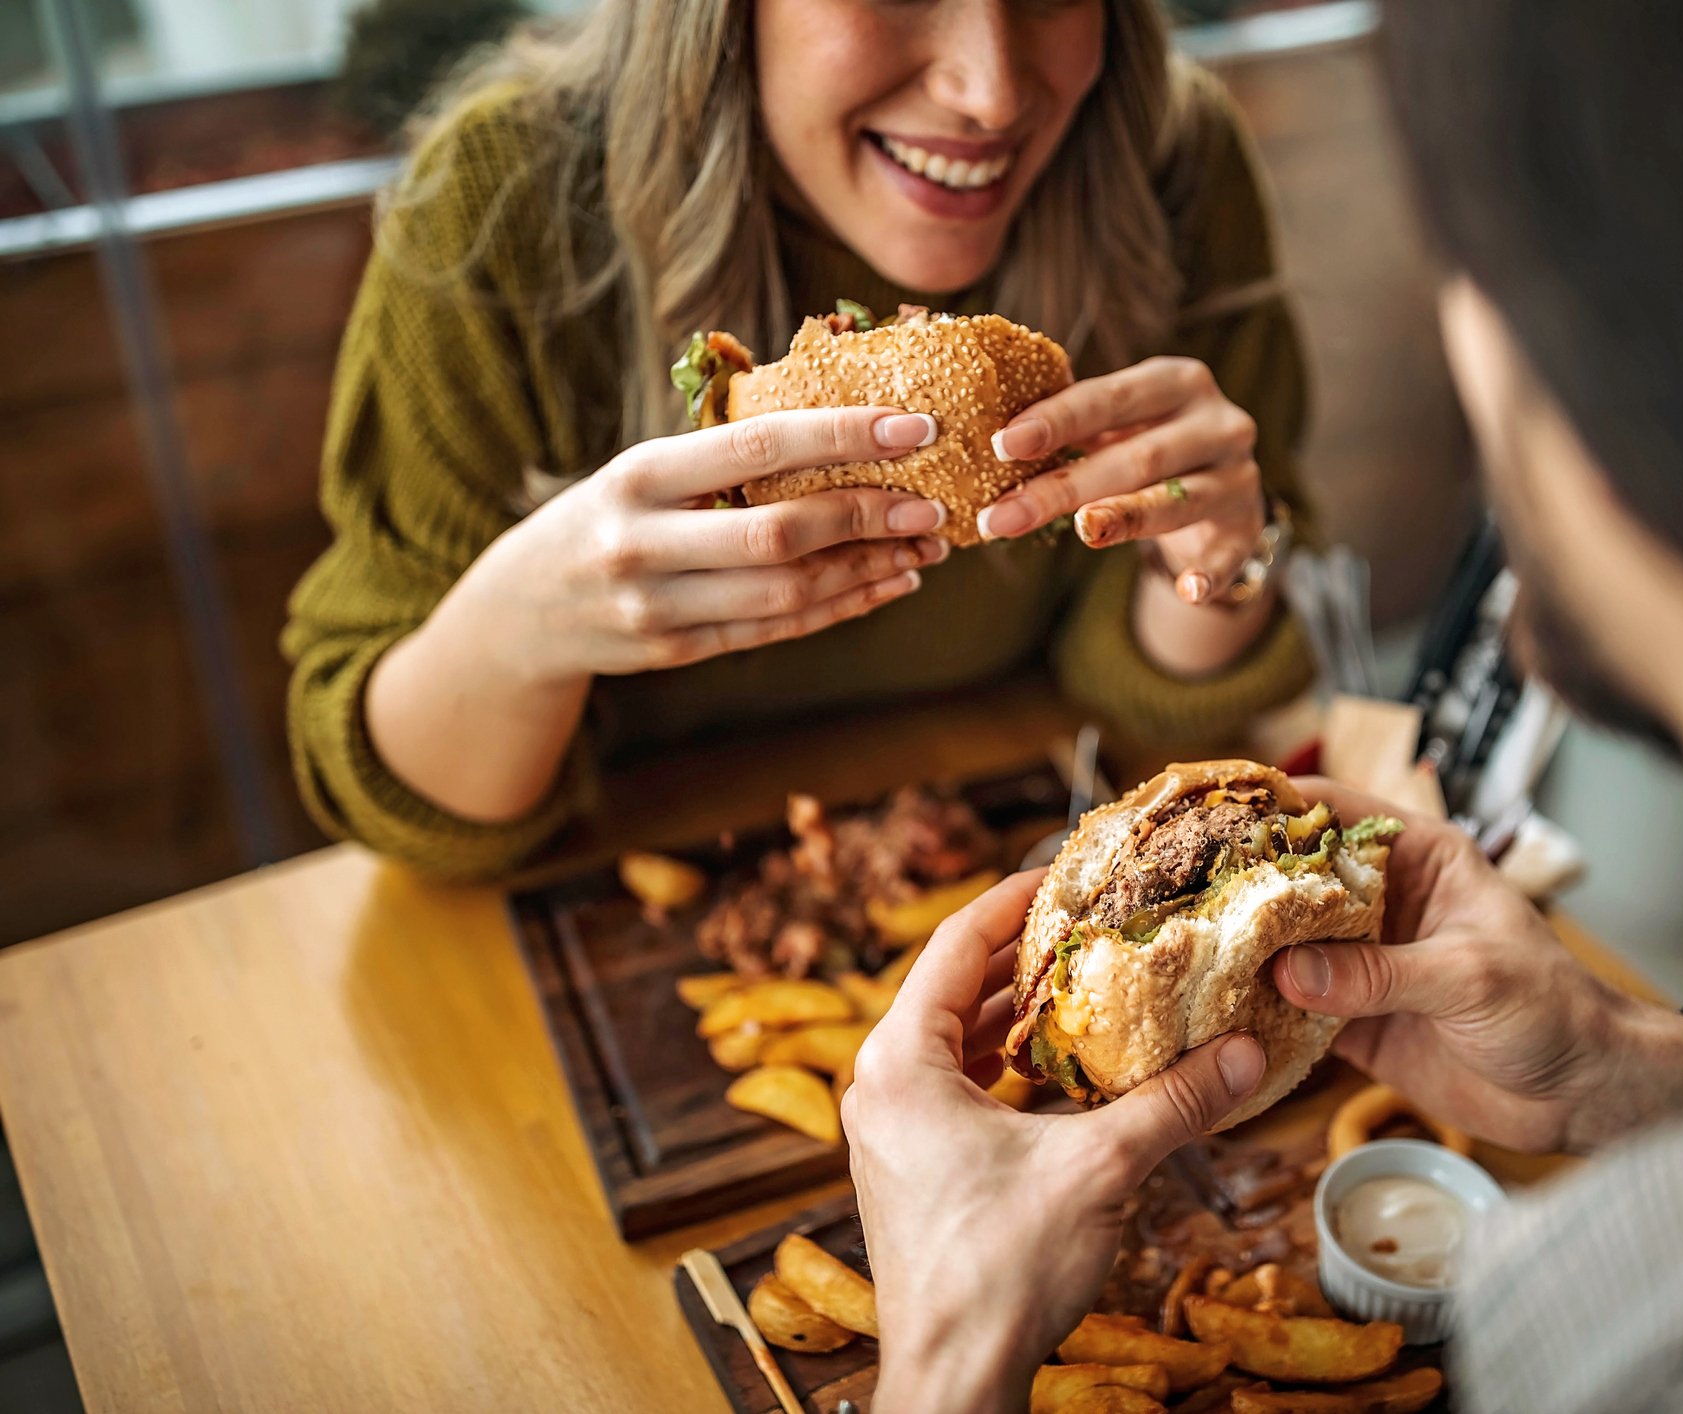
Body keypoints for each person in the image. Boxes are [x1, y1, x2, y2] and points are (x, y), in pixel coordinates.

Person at [844, 3, 1683, 1409]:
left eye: (1481, 273)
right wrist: (1647, 1074)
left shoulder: (1657, 1360)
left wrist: (945, 1358)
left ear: (1648, 388)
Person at [283, 0, 1315, 877]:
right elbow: (414, 815)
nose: (991, 91)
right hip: (612, 906)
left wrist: (1216, 558)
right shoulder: (496, 207)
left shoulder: (1165, 161)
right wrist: (521, 633)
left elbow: (1155, 717)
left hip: (1008, 874)